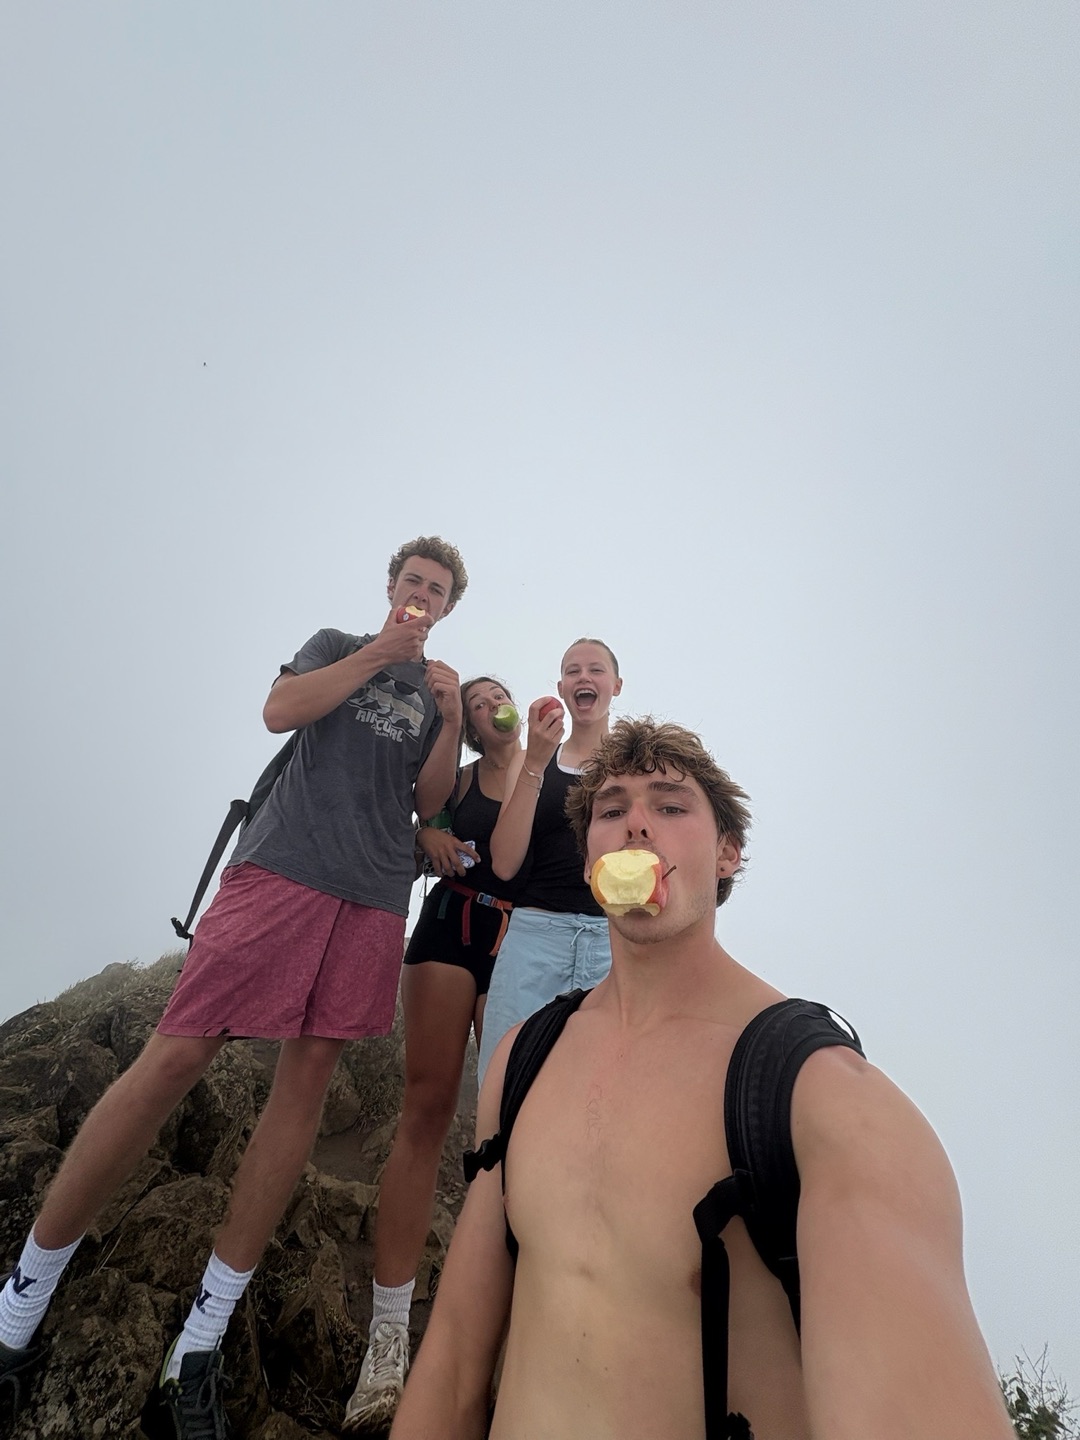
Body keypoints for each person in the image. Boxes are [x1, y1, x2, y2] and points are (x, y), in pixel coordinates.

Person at [390, 717, 1016, 1440]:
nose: (636, 825)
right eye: (611, 811)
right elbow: (454, 1363)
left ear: (727, 853)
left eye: (670, 805)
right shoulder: (522, 1060)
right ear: (588, 858)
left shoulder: (825, 1101)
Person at [0, 537, 468, 1439]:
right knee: (176, 1055)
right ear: (390, 587)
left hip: (373, 897)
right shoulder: (337, 644)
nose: (421, 595)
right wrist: (379, 653)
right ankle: (20, 1303)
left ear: (448, 607)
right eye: (412, 581)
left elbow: (428, 803)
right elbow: (279, 711)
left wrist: (447, 720)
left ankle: (201, 1342)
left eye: (436, 590)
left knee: (305, 1090)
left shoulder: (432, 693)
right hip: (281, 869)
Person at [343, 677, 523, 1431]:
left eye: (497, 694)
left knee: (517, 1128)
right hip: (451, 928)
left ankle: (518, 1335)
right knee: (426, 1112)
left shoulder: (555, 776)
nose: (489, 704)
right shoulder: (462, 778)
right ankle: (387, 1337)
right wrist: (427, 836)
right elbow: (422, 814)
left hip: (525, 945)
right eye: (476, 703)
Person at [476, 637, 623, 1085]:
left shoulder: (635, 764)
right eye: (573, 671)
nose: (584, 677)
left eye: (595, 670)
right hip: (534, 937)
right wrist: (536, 765)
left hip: (613, 940)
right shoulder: (530, 758)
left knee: (601, 1090)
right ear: (561, 688)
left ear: (616, 685)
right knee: (506, 1081)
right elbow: (504, 864)